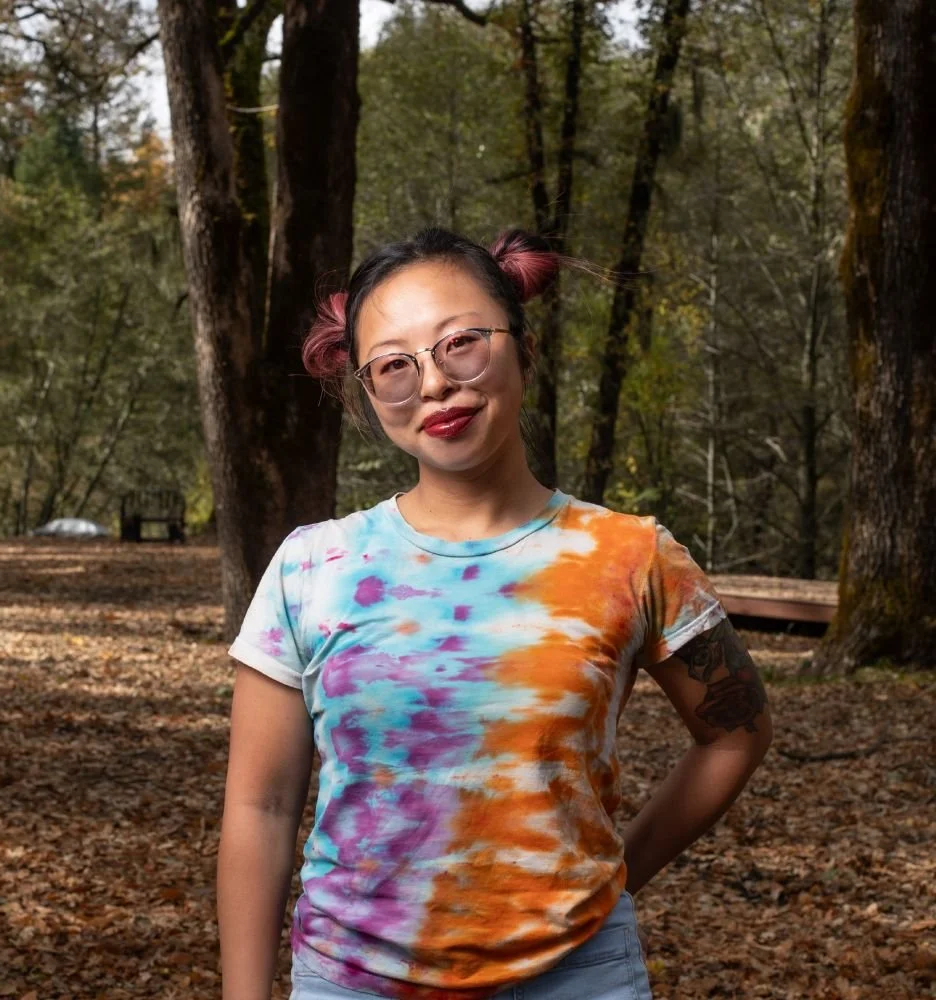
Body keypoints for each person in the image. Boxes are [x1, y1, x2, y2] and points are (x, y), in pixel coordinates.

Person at [217, 227, 774, 1000]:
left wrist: (618, 878)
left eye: (461, 344)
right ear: (368, 394)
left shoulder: (632, 555)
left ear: (523, 347)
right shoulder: (312, 569)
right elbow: (262, 804)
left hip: (581, 981)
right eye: (395, 367)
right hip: (352, 982)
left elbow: (736, 732)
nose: (436, 384)